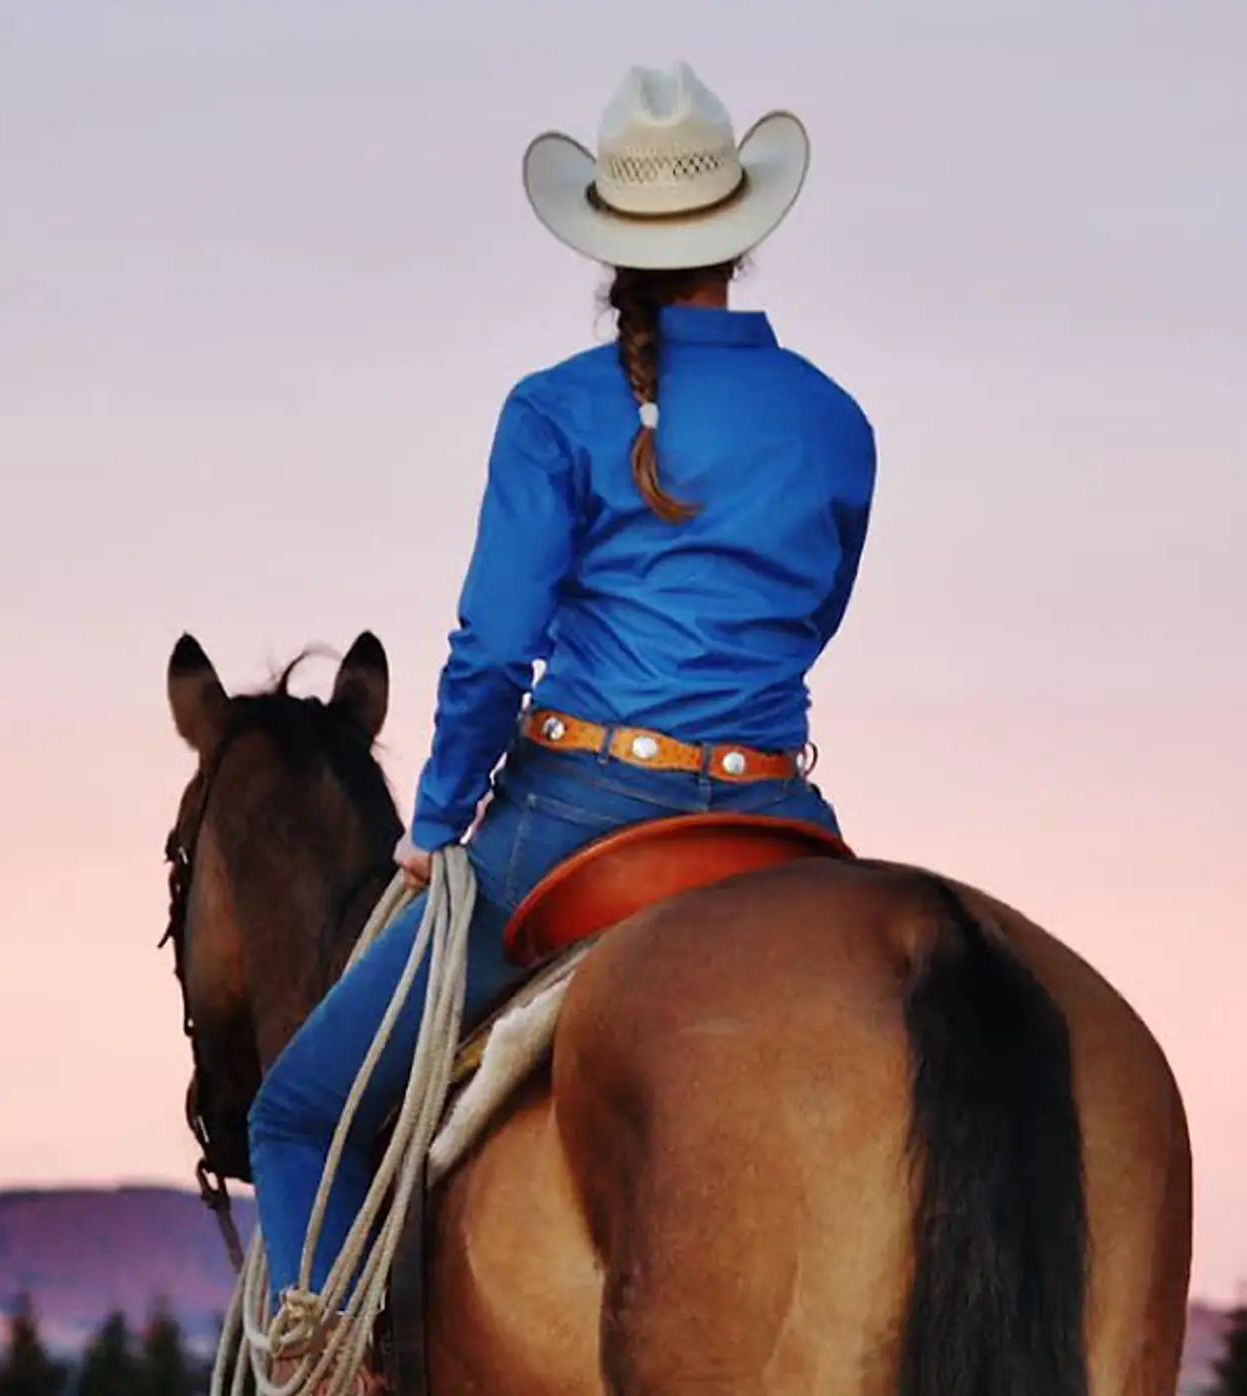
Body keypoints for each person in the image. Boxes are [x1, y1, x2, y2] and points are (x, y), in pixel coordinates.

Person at [245, 59, 877, 1379]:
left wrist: (431, 825)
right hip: (781, 818)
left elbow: (491, 652)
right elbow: (814, 616)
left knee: (301, 1116)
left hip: (579, 816)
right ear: (744, 235)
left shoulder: (552, 413)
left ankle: (316, 1366)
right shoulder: (837, 423)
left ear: (604, 246)